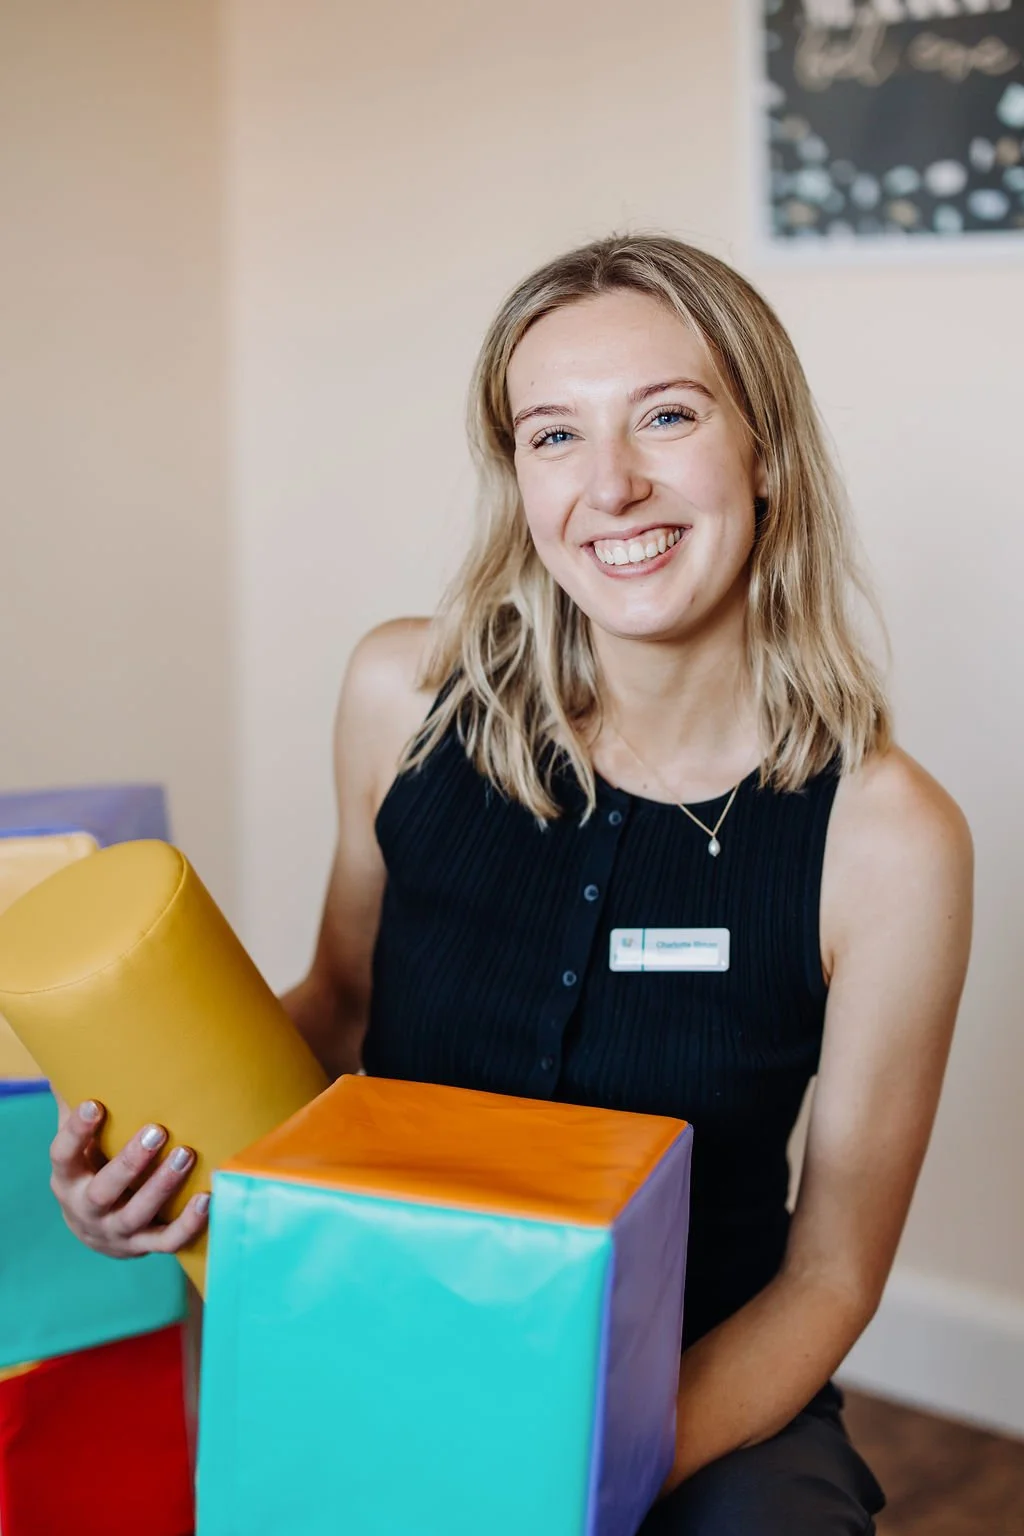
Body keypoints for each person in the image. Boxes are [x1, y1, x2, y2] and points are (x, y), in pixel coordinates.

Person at [48, 234, 973, 1534]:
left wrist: (581, 1476)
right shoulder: (403, 698)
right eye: (555, 436)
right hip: (383, 1328)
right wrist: (144, 1155)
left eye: (667, 415)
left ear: (763, 450)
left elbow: (828, 1278)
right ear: (519, 478)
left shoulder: (889, 840)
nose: (613, 485)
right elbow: (338, 1003)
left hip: (702, 1378)